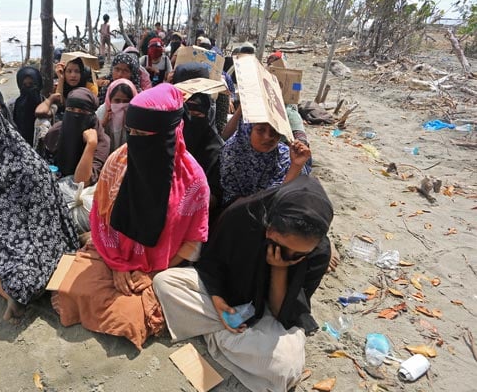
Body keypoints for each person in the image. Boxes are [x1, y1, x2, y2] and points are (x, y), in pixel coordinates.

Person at [52, 84, 210, 349]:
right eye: (131, 133)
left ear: (167, 134)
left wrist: (155, 272)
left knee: (129, 319)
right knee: (70, 292)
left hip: (159, 266)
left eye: (143, 134)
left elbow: (193, 241)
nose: (135, 140)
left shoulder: (193, 182)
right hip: (113, 254)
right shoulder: (119, 162)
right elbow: (102, 219)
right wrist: (117, 265)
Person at [153, 175, 333, 392]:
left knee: (285, 368)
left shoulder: (319, 251)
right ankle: (231, 337)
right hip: (226, 294)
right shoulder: (243, 214)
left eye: (298, 254)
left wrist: (280, 268)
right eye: (281, 245)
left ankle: (214, 332)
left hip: (266, 314)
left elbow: (282, 311)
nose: (288, 254)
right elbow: (212, 263)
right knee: (165, 282)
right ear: (269, 226)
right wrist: (218, 301)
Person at [0, 101, 80, 321]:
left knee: (26, 278)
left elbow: (45, 226)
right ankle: (11, 292)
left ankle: (18, 293)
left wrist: (19, 257)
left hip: (37, 241)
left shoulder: (29, 167)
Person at [172, 62, 224, 216]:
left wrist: (188, 207)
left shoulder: (216, 148)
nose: (190, 120)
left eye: (197, 115)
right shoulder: (164, 135)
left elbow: (215, 194)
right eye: (186, 115)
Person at [220, 119, 311, 207]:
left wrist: (296, 166)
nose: (269, 136)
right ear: (247, 129)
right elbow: (232, 202)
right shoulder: (232, 154)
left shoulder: (286, 156)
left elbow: (284, 199)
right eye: (260, 130)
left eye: (275, 130)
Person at [39, 87, 109, 186]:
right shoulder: (57, 130)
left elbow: (82, 182)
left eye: (82, 112)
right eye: (71, 109)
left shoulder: (101, 141)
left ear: (92, 115)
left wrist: (90, 146)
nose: (76, 114)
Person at [35, 57, 95, 122]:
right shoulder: (57, 87)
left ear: (81, 74)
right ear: (64, 72)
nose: (73, 75)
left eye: (77, 71)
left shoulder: (88, 90)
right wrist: (61, 79)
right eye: (69, 71)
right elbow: (58, 104)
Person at [96, 78, 138, 153]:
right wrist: (103, 123)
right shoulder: (102, 111)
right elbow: (92, 136)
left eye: (126, 101)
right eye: (117, 101)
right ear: (109, 99)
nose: (121, 105)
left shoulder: (136, 114)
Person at [7, 66, 44, 146]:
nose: (28, 88)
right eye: (24, 85)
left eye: (31, 84)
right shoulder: (12, 105)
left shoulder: (45, 103)